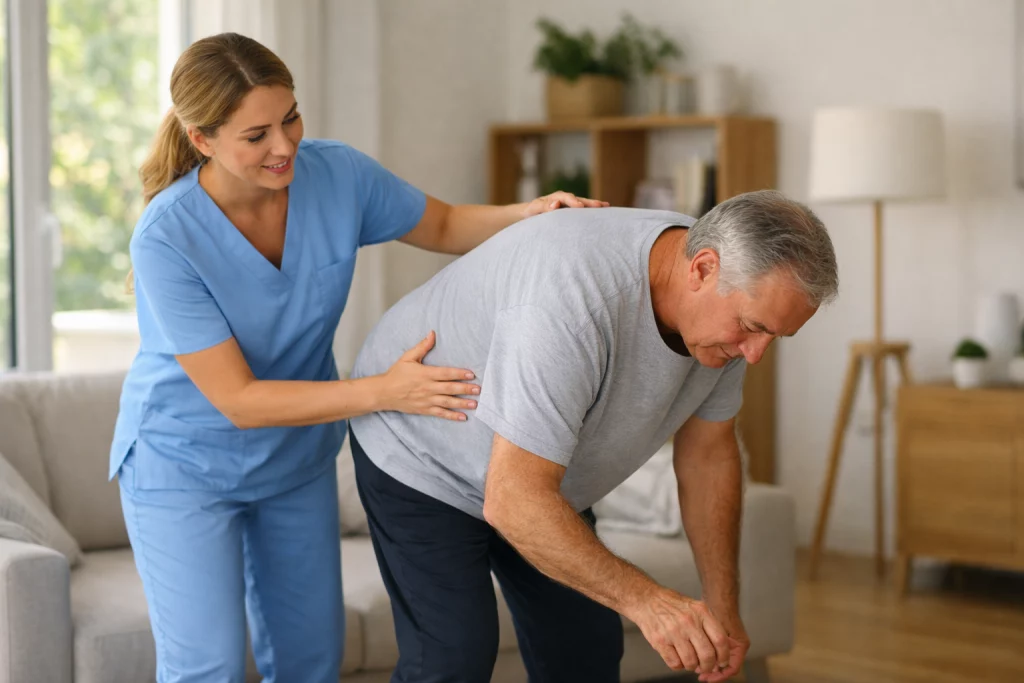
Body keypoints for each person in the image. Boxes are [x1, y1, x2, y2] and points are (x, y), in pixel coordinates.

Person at [108, 32, 606, 683]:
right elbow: (240, 399)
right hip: (183, 465)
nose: (284, 145)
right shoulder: (167, 237)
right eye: (255, 135)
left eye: (290, 117)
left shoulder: (335, 174)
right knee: (210, 666)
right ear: (202, 139)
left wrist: (537, 213)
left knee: (312, 660)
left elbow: (447, 224)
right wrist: (383, 390)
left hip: (295, 460)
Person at [349, 191, 839, 683]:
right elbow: (514, 498)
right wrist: (652, 603)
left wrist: (722, 604)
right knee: (453, 656)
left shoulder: (725, 320)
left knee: (584, 650)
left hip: (537, 471)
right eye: (752, 329)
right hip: (422, 447)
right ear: (702, 270)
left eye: (774, 336)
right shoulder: (572, 300)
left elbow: (708, 457)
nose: (755, 354)